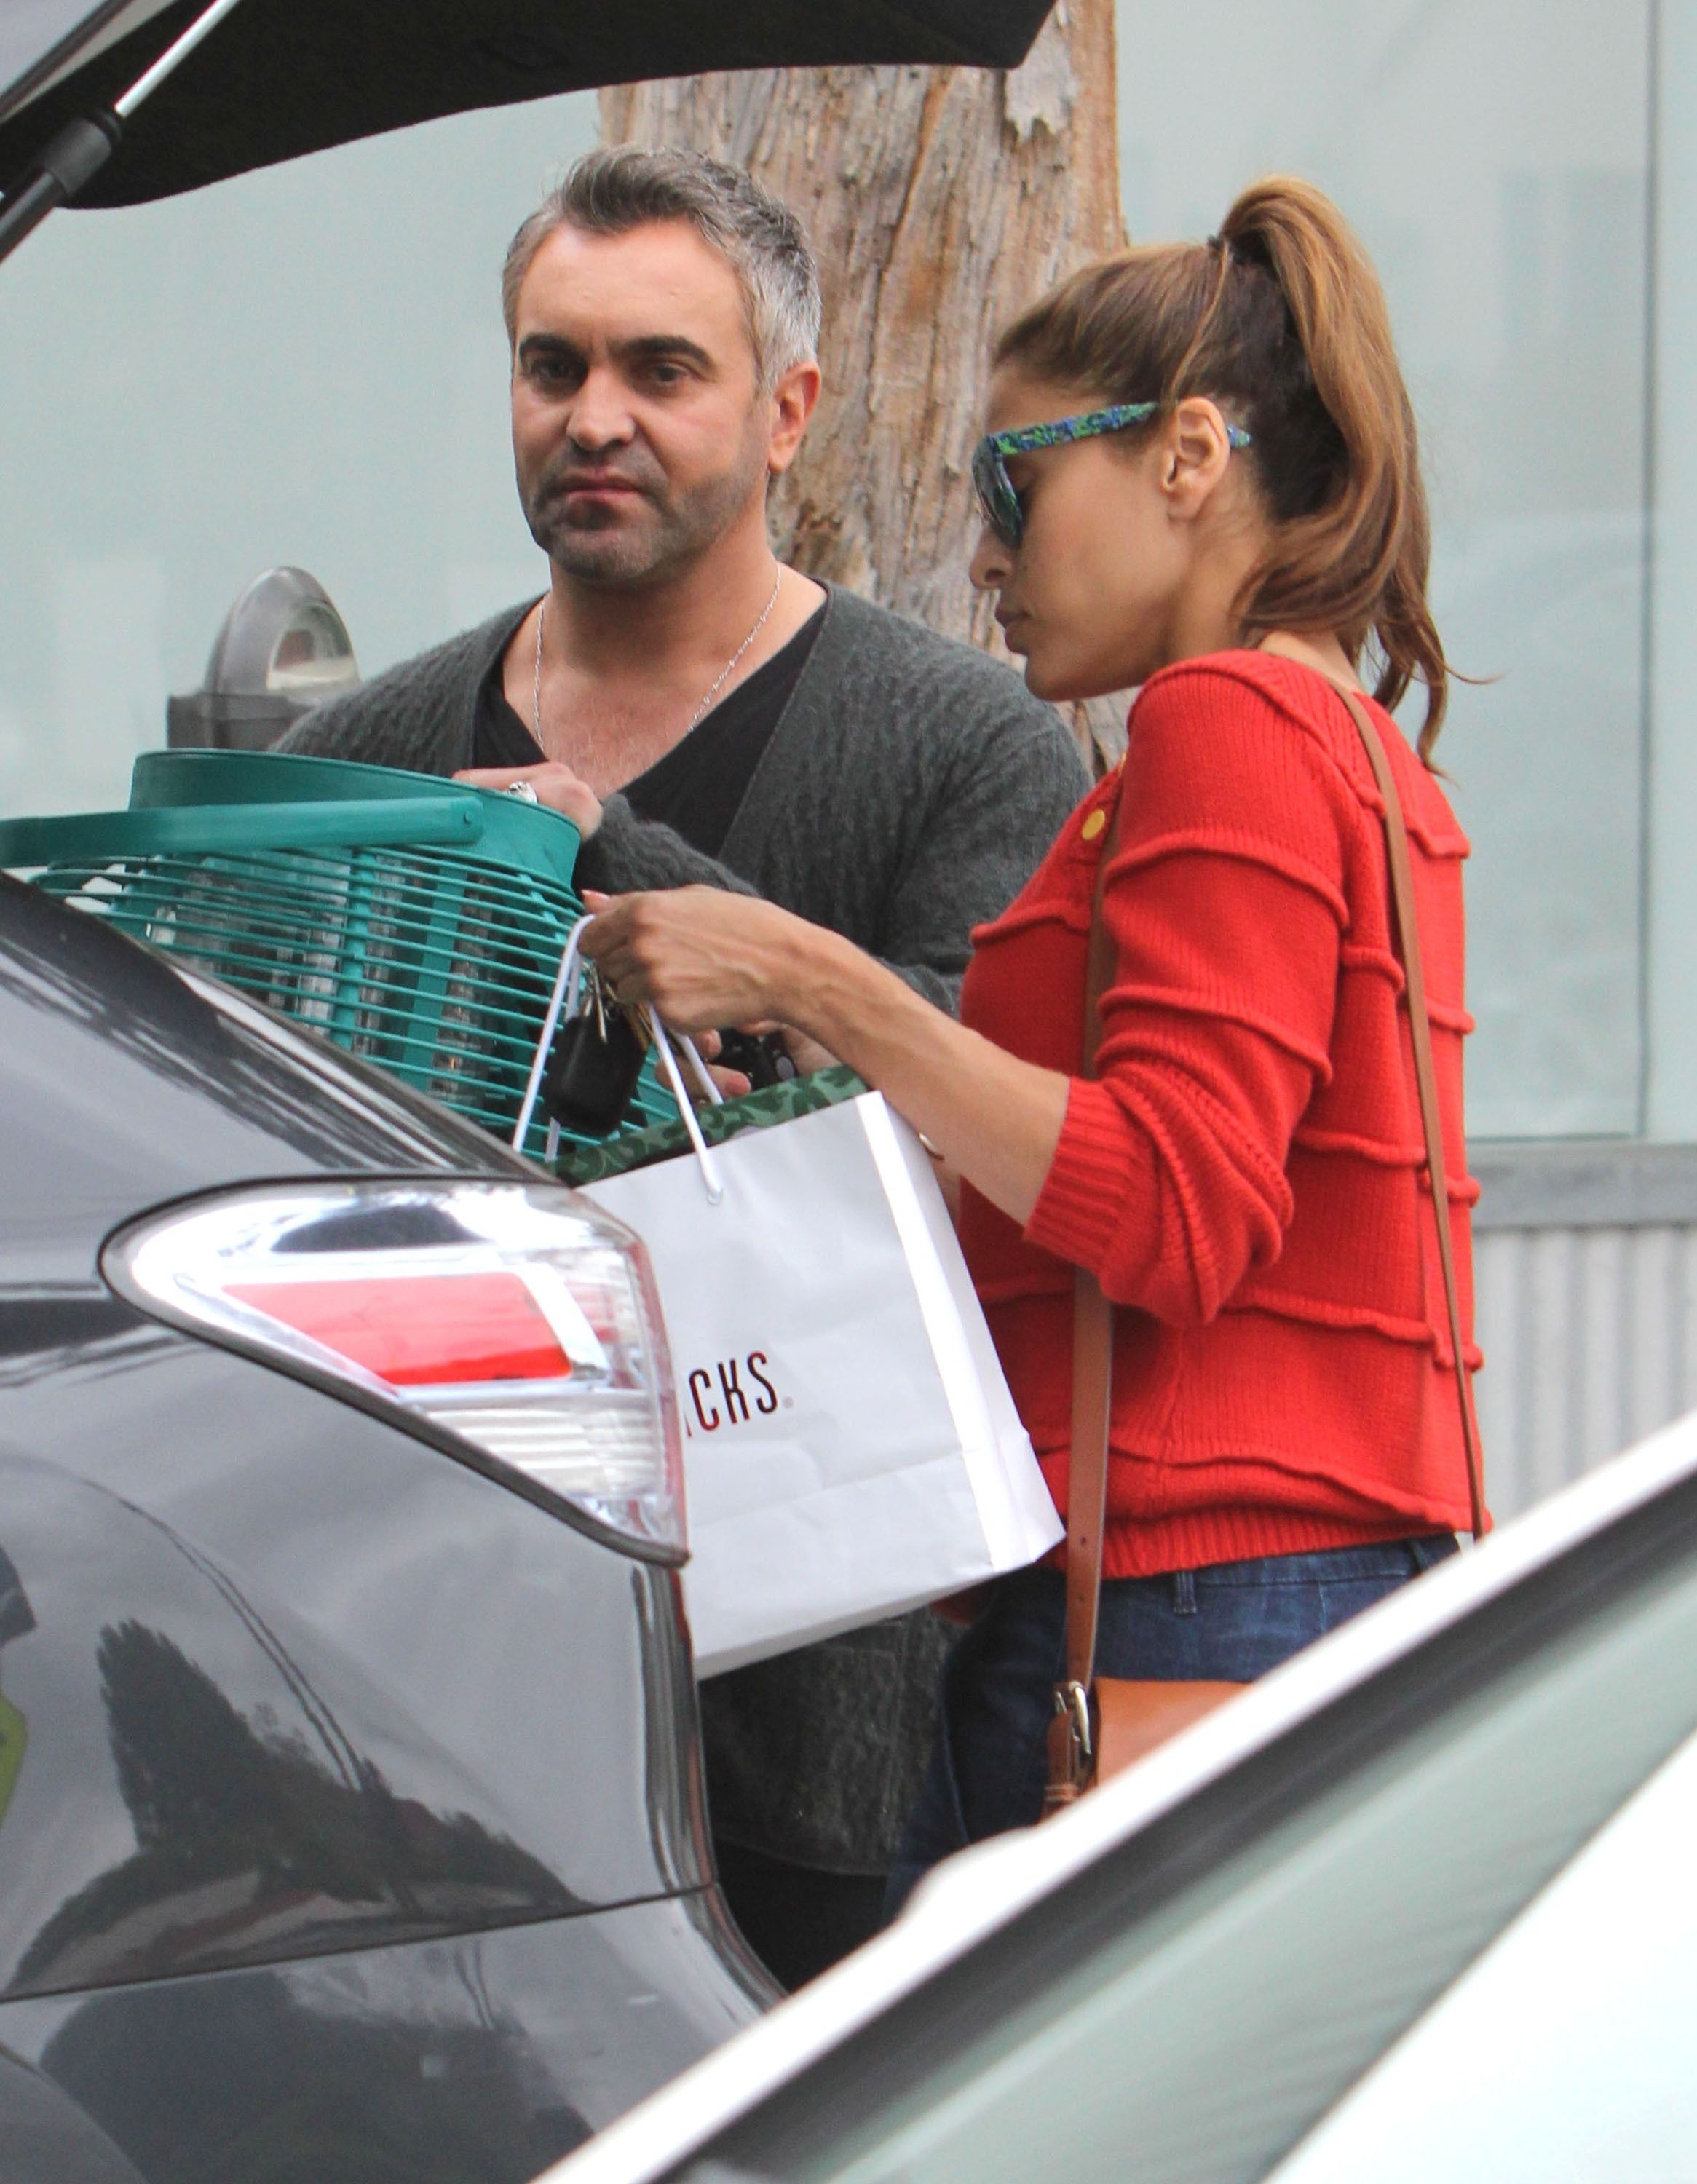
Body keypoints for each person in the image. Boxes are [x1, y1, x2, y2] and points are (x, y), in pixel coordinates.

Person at [582, 175, 1486, 1902]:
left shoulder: (1222, 723)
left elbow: (1176, 1210)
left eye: (1013, 480)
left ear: (1187, 456)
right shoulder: (1360, 754)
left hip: (1170, 1611)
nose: (985, 554)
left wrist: (816, 979)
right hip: (1303, 1598)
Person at [278, 146, 1090, 1978]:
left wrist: (607, 847)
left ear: (786, 412)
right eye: (550, 365)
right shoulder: (366, 756)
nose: (594, 417)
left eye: (661, 369)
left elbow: (984, 1140)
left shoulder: (967, 747)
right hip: (427, 1691)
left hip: (815, 1711)